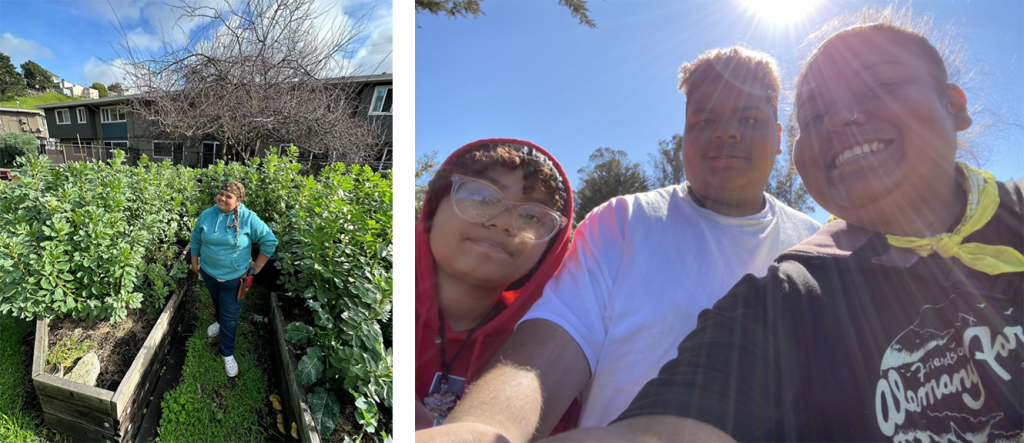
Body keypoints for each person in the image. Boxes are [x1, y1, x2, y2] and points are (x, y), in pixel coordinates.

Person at [541, 7, 1024, 443]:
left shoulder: (800, 234)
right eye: (815, 114)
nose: (841, 120)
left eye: (880, 86)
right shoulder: (794, 285)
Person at [416, 46, 822, 443]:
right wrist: (482, 431)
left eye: (749, 118)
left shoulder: (816, 247)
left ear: (780, 135)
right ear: (683, 136)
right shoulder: (624, 221)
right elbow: (544, 355)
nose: (725, 131)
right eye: (703, 120)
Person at [413, 139, 579, 433]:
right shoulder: (365, 301)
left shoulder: (550, 354)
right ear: (435, 205)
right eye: (482, 196)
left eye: (532, 216)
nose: (503, 223)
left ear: (550, 248)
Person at [190, 180, 278, 377]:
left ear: (238, 201)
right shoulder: (207, 215)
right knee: (217, 303)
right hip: (209, 273)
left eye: (228, 196)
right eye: (221, 193)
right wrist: (195, 261)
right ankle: (219, 323)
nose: (223, 198)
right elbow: (196, 238)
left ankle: (227, 353)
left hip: (234, 279)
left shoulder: (247, 218)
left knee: (231, 317)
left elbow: (269, 241)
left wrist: (257, 267)